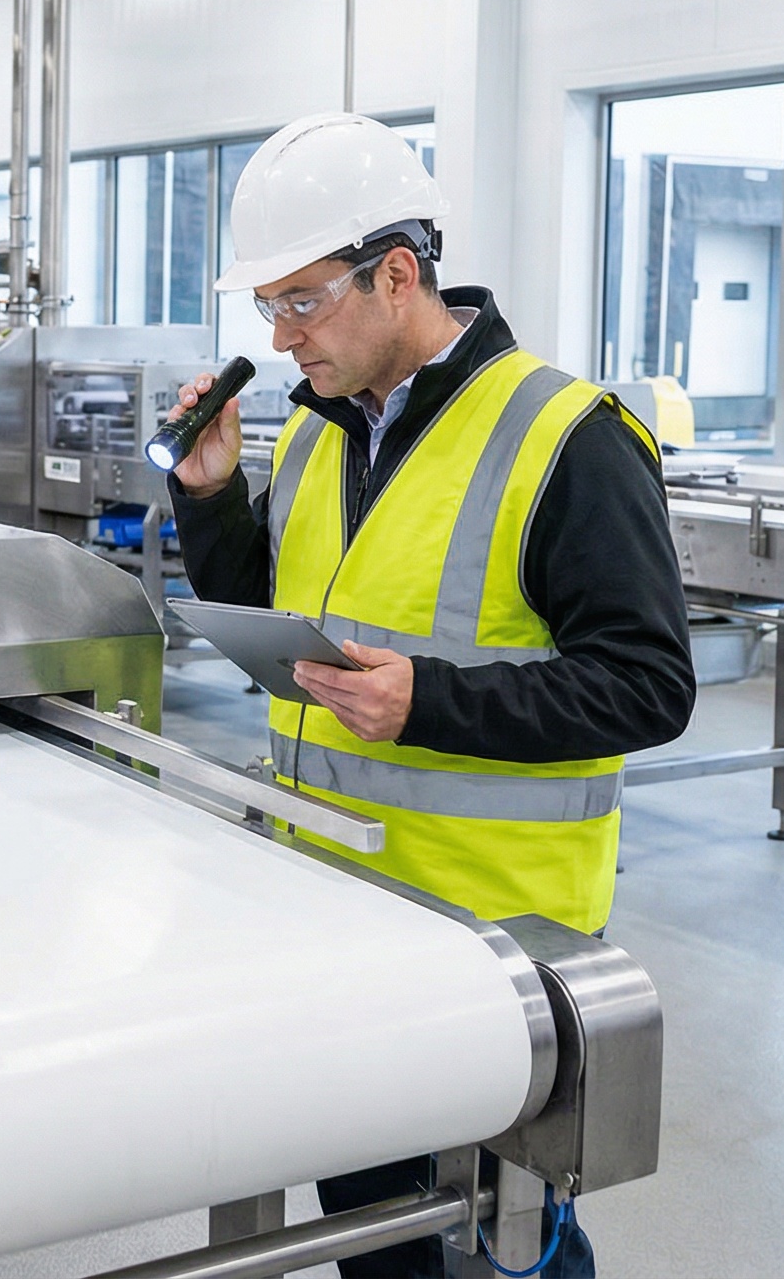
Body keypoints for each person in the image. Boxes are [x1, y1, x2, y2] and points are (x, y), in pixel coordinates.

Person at [161, 114, 693, 1279]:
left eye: (301, 300)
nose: (281, 334)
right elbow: (286, 615)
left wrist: (430, 705)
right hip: (332, 903)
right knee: (380, 1236)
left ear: (395, 274)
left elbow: (648, 687)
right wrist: (209, 501)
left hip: (488, 940)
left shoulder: (565, 436)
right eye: (266, 308)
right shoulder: (317, 435)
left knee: (493, 1240)